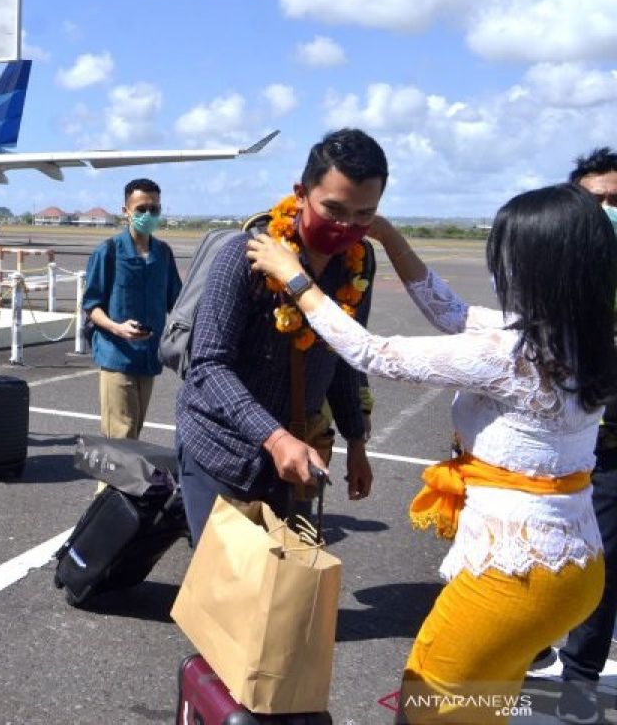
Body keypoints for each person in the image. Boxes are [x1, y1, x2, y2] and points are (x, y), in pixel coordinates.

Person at [248, 183, 617, 725]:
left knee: (429, 700)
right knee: (485, 703)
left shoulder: (510, 354)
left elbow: (371, 353)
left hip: (518, 576)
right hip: (575, 568)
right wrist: (390, 235)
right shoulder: (579, 336)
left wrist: (294, 277)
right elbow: (454, 311)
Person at [176, 128, 384, 539]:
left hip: (296, 456)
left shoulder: (358, 266)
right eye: (334, 210)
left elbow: (343, 355)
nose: (345, 227)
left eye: (363, 215)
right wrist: (274, 438)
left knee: (286, 590)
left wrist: (356, 441)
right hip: (223, 452)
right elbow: (208, 365)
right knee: (230, 593)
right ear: (301, 194)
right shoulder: (244, 257)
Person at [530, 146, 617, 724]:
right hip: (549, 444)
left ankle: (580, 679)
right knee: (534, 553)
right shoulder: (553, 271)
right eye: (597, 201)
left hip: (608, 446)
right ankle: (529, 647)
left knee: (603, 564)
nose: (607, 211)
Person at [82, 178, 182, 440]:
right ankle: (110, 483)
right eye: (141, 209)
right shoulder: (109, 251)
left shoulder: (163, 253)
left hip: (148, 359)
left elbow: (179, 302)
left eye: (154, 209)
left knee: (133, 433)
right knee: (121, 437)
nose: (148, 215)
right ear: (125, 210)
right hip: (117, 357)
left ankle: (118, 482)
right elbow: (92, 306)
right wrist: (117, 327)